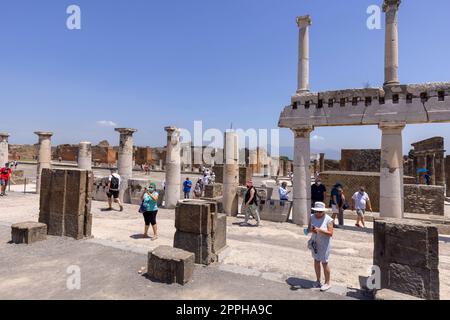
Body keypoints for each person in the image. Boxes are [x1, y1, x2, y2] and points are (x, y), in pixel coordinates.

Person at [307, 202, 334, 292]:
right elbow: (309, 229)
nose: (318, 213)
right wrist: (311, 230)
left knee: (324, 262)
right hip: (315, 242)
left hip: (325, 244)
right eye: (317, 211)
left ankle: (327, 283)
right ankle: (318, 280)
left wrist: (319, 230)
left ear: (323, 211)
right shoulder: (312, 217)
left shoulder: (328, 219)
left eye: (320, 212)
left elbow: (330, 233)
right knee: (316, 261)